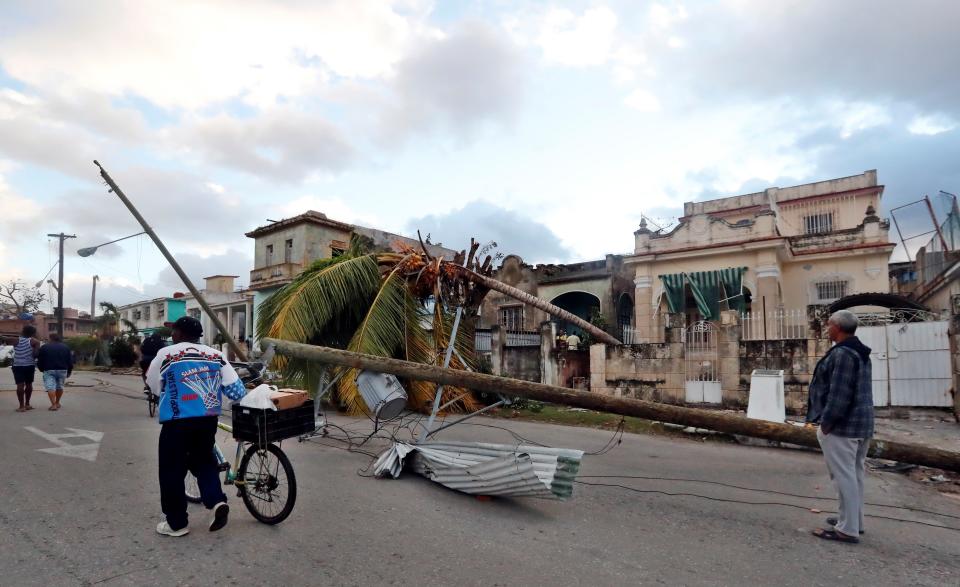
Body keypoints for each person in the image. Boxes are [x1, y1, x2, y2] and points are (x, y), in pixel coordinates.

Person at [146, 316, 247, 537]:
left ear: (180, 334)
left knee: (172, 471)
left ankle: (176, 523)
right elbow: (237, 391)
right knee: (204, 462)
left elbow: (153, 384)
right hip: (207, 421)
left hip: (176, 422)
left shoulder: (166, 354)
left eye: (174, 332)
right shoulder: (216, 355)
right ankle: (217, 502)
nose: (172, 335)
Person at [806, 310, 874, 544]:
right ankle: (854, 521)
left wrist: (826, 423)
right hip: (861, 424)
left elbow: (839, 394)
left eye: (829, 326)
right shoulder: (860, 351)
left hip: (843, 426)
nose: (826, 329)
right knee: (854, 474)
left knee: (843, 476)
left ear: (837, 327)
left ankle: (847, 529)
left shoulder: (844, 354)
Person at [3, 325, 41, 412]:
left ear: (23, 331)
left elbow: (3, 337)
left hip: (18, 366)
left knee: (20, 385)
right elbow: (35, 355)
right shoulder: (35, 341)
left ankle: (21, 406)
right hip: (30, 365)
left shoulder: (14, 340)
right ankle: (27, 404)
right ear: (33, 333)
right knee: (29, 384)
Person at [36, 332, 73, 410]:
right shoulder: (66, 347)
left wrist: (41, 368)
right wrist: (69, 371)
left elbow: (40, 360)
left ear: (50, 338)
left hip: (49, 369)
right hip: (62, 370)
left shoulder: (44, 347)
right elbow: (70, 360)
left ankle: (53, 405)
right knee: (60, 386)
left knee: (50, 387)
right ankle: (57, 402)